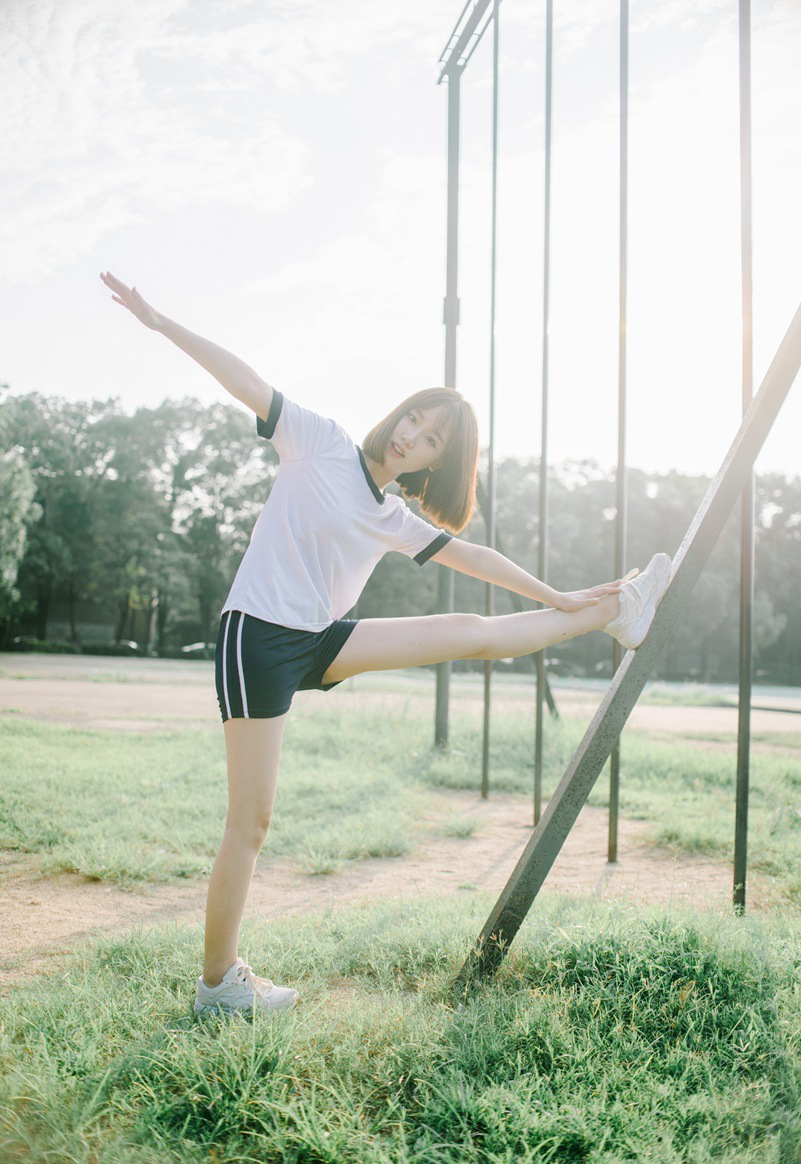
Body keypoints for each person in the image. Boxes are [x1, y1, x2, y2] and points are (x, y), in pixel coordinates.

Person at [100, 272, 672, 1016]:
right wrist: (160, 322)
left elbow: (476, 558)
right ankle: (219, 986)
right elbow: (244, 379)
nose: (411, 435)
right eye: (414, 418)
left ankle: (616, 612)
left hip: (318, 639)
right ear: (399, 411)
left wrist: (561, 595)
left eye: (430, 439)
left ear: (433, 461)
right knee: (252, 821)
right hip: (258, 638)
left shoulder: (392, 515)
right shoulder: (320, 441)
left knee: (471, 634)